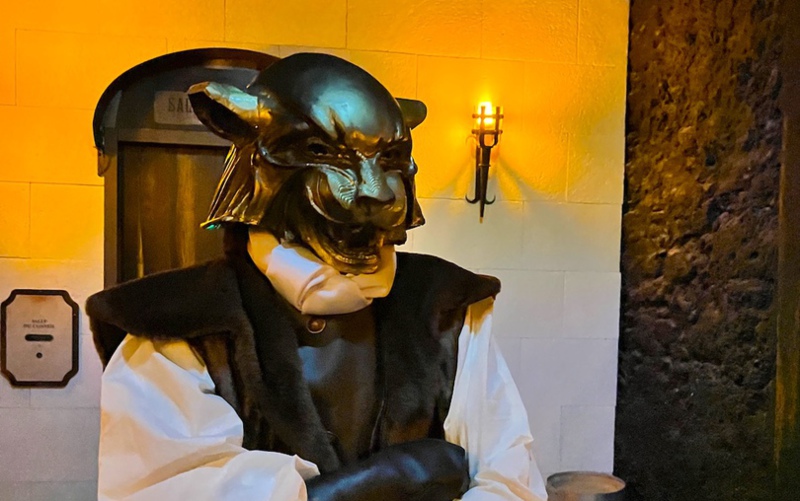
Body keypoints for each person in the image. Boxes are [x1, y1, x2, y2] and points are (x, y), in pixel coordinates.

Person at [87, 52, 547, 501]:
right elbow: (164, 487)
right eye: (324, 154)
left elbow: (509, 477)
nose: (374, 191)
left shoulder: (447, 308)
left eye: (388, 159)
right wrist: (392, 479)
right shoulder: (174, 323)